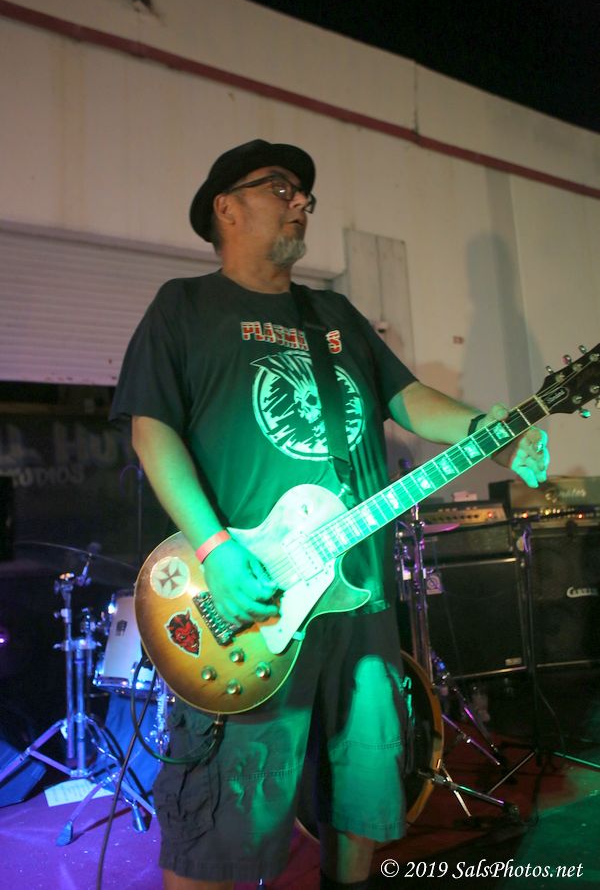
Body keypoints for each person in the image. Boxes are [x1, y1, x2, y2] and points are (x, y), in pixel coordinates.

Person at [110, 139, 549, 890]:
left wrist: (491, 429)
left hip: (359, 598)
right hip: (251, 600)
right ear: (226, 207)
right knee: (226, 818)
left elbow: (407, 399)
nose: (301, 202)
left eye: (305, 193)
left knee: (363, 793)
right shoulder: (184, 307)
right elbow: (152, 430)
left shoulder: (333, 315)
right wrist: (216, 550)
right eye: (280, 187)